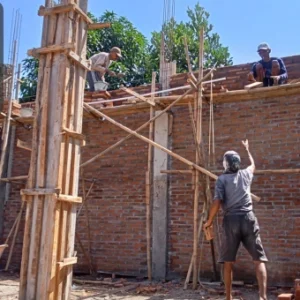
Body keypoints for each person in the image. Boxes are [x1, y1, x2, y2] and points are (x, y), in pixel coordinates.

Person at [204, 140, 268, 300]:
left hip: (231, 220)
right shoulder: (246, 174)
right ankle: (263, 297)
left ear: (225, 165)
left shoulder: (221, 180)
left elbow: (217, 202)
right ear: (238, 163)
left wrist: (209, 221)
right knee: (259, 259)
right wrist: (248, 149)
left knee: (228, 262)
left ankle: (228, 297)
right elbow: (253, 164)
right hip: (249, 218)